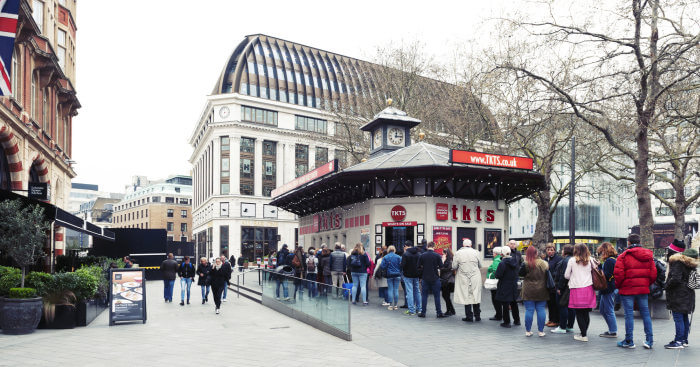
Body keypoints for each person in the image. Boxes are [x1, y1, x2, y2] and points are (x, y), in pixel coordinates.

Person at [614, 233, 657, 349]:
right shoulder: (648, 256)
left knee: (629, 315)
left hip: (627, 290)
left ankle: (629, 341)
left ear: (628, 242)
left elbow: (618, 275)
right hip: (642, 289)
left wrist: (620, 286)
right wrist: (646, 284)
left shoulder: (623, 256)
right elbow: (653, 274)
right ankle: (649, 340)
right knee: (646, 314)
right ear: (639, 242)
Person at [664, 243, 697, 349]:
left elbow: (676, 279)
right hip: (688, 293)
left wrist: (666, 286)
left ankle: (678, 341)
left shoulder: (678, 262)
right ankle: (683, 340)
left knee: (678, 318)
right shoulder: (689, 263)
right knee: (684, 318)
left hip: (678, 294)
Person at [565, 244, 597, 342]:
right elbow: (596, 269)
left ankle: (583, 335)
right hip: (588, 288)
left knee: (579, 312)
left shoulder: (572, 260)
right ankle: (584, 332)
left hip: (576, 288)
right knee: (586, 312)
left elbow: (566, 275)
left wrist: (574, 277)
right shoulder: (590, 259)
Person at [520, 246, 549, 337]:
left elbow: (520, 274)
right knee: (541, 309)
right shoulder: (544, 263)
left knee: (529, 310)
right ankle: (541, 331)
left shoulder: (525, 263)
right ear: (537, 253)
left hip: (528, 290)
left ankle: (528, 331)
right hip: (542, 289)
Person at [452, 239, 483, 322]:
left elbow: (454, 266)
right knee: (475, 295)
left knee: (465, 295)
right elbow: (480, 265)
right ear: (471, 245)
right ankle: (477, 316)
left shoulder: (458, 253)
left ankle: (469, 316)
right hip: (475, 276)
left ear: (463, 245)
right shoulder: (476, 252)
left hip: (463, 276)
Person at [551, 244, 576, 334]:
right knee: (571, 307)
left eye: (562, 250)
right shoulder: (574, 260)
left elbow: (563, 275)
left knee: (562, 306)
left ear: (565, 251)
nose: (561, 251)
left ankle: (562, 326)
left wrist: (560, 287)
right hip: (572, 286)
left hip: (564, 287)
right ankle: (570, 326)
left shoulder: (565, 261)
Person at [417, 242, 446, 318]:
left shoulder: (422, 255)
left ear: (427, 246)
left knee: (424, 296)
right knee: (437, 296)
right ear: (434, 247)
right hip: (435, 278)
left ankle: (423, 312)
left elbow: (418, 267)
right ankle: (439, 313)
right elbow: (441, 266)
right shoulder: (437, 255)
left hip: (425, 278)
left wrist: (421, 275)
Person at [596, 242, 618, 338]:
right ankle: (611, 329)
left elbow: (607, 275)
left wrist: (599, 270)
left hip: (608, 288)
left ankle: (613, 331)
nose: (600, 255)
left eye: (601, 252)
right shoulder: (611, 260)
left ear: (605, 251)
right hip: (608, 288)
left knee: (608, 310)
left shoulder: (609, 261)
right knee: (602, 309)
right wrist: (600, 266)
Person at [495, 246, 519, 328]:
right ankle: (517, 320)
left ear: (502, 254)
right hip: (513, 284)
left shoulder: (502, 263)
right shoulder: (514, 261)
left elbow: (498, 275)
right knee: (514, 303)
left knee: (505, 304)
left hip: (504, 285)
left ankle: (506, 322)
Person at [401, 240, 422, 315]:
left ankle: (411, 310)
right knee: (417, 291)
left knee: (409, 292)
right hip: (416, 275)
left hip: (407, 275)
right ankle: (419, 309)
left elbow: (402, 265)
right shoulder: (418, 253)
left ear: (406, 246)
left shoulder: (405, 254)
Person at [544, 243, 563, 327]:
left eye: (551, 250)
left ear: (554, 250)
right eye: (548, 250)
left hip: (554, 284)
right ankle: (551, 319)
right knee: (549, 303)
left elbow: (558, 271)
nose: (550, 251)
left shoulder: (558, 259)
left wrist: (550, 272)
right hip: (547, 284)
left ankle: (556, 320)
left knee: (554, 303)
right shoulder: (545, 259)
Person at [380, 245, 402, 310]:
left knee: (390, 289)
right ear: (394, 250)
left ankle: (390, 305)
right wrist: (399, 271)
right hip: (397, 275)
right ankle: (395, 305)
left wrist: (387, 265)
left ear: (388, 250)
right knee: (396, 290)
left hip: (389, 275)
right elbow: (401, 266)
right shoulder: (398, 257)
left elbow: (382, 266)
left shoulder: (386, 257)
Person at [506, 240, 522, 325]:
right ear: (508, 244)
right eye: (511, 244)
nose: (512, 245)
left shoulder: (518, 253)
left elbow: (520, 263)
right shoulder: (506, 252)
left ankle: (517, 319)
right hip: (508, 278)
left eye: (514, 244)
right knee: (509, 299)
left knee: (514, 299)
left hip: (516, 276)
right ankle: (507, 319)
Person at [487, 247, 504, 321]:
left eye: (493, 253)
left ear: (496, 253)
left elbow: (495, 271)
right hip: (498, 283)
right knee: (497, 299)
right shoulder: (499, 259)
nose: (492, 254)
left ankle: (498, 315)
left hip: (494, 282)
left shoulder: (496, 261)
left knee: (495, 299)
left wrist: (490, 271)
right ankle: (498, 314)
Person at [440, 248, 456, 316]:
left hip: (447, 280)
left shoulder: (449, 261)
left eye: (443, 254)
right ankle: (451, 310)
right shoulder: (450, 260)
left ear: (446, 253)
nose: (442, 255)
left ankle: (449, 310)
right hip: (447, 280)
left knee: (446, 295)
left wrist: (442, 262)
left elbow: (446, 269)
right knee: (446, 296)